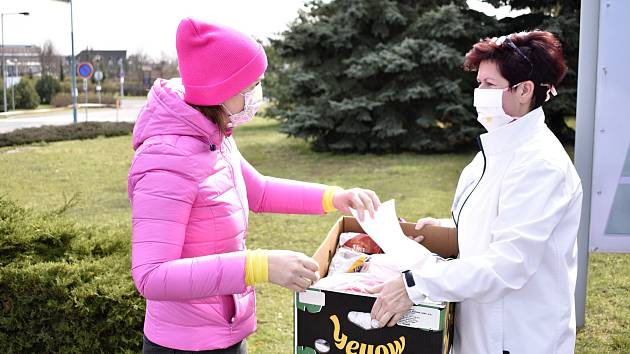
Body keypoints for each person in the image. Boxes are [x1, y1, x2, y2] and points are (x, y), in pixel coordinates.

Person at [128, 18, 381, 354]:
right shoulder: (166, 158)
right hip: (184, 345)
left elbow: (258, 190)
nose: (257, 94)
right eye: (252, 84)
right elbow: (151, 276)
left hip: (226, 333)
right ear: (220, 88)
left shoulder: (213, 135)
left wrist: (335, 197)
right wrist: (259, 266)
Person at [369, 31, 583, 354]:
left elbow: (506, 265)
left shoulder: (541, 165)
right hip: (478, 331)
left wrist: (416, 285)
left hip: (519, 338)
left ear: (524, 90)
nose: (478, 93)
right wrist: (442, 230)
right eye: (478, 83)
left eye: (489, 85)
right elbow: (491, 224)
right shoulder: (492, 150)